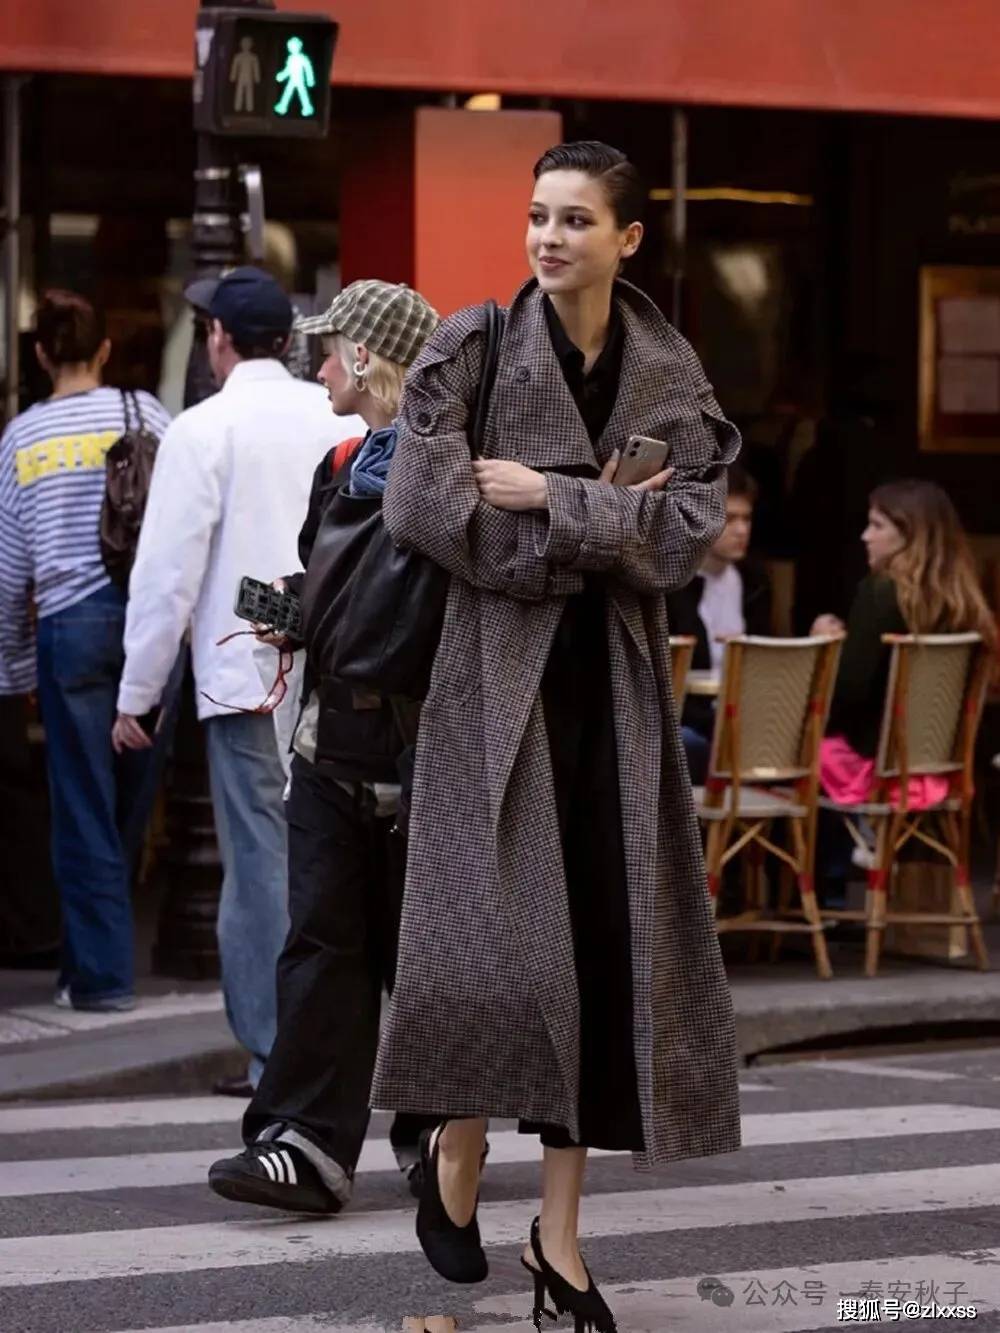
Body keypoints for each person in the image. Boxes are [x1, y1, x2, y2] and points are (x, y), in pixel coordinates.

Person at [370, 141, 742, 1331]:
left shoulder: (670, 372)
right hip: (491, 685)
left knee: (600, 953)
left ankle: (559, 1241)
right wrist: (601, 526)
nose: (547, 237)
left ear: (627, 239)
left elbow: (687, 533)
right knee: (489, 946)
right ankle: (456, 1143)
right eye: (537, 214)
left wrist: (547, 496)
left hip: (614, 699)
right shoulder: (469, 347)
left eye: (575, 219)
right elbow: (425, 507)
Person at [208, 280, 440, 1213]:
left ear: (369, 356)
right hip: (329, 737)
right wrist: (294, 610)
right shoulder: (340, 463)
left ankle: (438, 1139)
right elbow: (342, 586)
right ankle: (303, 1141)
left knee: (422, 959)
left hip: (420, 749)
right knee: (320, 944)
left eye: (332, 347)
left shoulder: (448, 472)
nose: (321, 366)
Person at [112, 266, 364, 1092]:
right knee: (336, 860)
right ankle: (341, 1040)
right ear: (288, 341)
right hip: (338, 670)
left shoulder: (204, 428)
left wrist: (138, 692)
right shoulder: (332, 411)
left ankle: (277, 1053)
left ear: (218, 340)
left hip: (246, 671)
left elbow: (166, 575)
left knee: (260, 868)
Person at [0, 289, 173, 1011]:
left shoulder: (22, 437)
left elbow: (11, 567)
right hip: (147, 624)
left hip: (68, 628)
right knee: (126, 800)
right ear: (104, 350)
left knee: (82, 803)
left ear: (41, 355)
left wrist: (12, 668)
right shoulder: (146, 414)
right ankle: (88, 961)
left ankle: (100, 977)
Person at [814, 478, 997, 808]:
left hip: (874, 769)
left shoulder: (881, 591)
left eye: (876, 526)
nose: (865, 536)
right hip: (944, 769)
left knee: (779, 744)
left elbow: (848, 692)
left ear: (910, 534)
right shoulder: (964, 602)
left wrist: (824, 652)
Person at [666, 462, 772, 782]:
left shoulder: (753, 581)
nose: (742, 530)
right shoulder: (673, 586)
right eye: (730, 519)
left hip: (743, 714)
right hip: (689, 716)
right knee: (686, 745)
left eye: (747, 519)